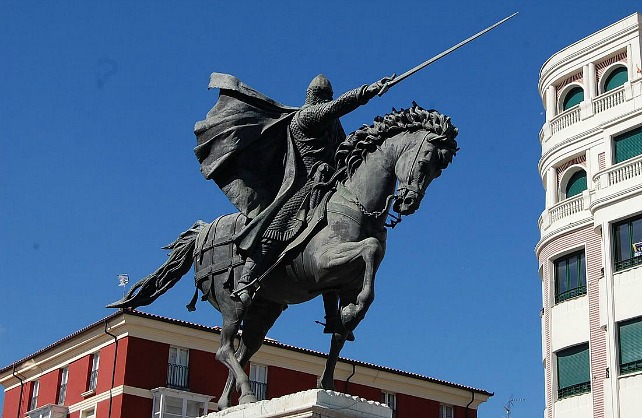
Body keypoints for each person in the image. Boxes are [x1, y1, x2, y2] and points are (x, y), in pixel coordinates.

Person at [194, 73, 392, 310]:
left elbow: (344, 150)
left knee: (341, 236)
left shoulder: (333, 126)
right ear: (317, 97)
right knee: (278, 225)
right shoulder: (306, 116)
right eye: (325, 97)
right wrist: (367, 91)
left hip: (330, 185)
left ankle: (334, 312)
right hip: (304, 185)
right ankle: (247, 278)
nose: (327, 100)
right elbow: (339, 107)